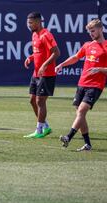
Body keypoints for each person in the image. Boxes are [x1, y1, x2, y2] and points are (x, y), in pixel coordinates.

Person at [56, 19, 107, 151]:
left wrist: (101, 69)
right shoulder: (88, 45)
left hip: (95, 85)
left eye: (93, 31)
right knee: (81, 114)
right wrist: (61, 64)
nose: (91, 33)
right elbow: (75, 57)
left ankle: (68, 137)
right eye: (89, 31)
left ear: (101, 29)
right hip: (82, 83)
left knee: (81, 111)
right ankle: (87, 144)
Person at [23, 12, 60, 138]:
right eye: (28, 22)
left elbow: (56, 53)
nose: (29, 25)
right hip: (36, 73)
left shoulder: (46, 35)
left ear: (38, 22)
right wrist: (31, 57)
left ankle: (39, 130)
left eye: (31, 22)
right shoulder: (34, 34)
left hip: (47, 74)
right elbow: (39, 51)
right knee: (32, 100)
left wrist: (45, 65)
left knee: (40, 101)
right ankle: (45, 127)